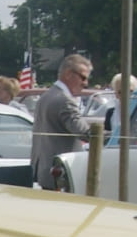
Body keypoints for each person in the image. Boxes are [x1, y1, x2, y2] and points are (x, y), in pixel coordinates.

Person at [30, 53, 95, 189]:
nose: (85, 83)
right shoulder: (64, 100)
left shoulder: (46, 96)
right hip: (59, 175)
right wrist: (117, 136)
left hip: (43, 172)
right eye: (83, 78)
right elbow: (86, 133)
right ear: (68, 74)